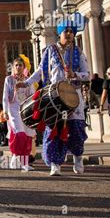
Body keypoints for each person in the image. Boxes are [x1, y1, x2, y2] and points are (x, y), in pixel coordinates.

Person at [17, 21, 89, 176]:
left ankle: (78, 157)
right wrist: (26, 83)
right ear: (60, 33)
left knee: (75, 130)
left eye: (71, 31)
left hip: (73, 97)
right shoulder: (50, 51)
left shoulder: (79, 52)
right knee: (53, 131)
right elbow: (39, 72)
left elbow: (87, 74)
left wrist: (75, 75)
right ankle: (55, 164)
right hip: (54, 97)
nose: (69, 34)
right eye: (66, 31)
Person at [2, 56, 35, 171]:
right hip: (13, 109)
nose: (18, 67)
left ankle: (24, 162)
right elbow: (5, 96)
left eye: (20, 65)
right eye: (16, 65)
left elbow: (32, 95)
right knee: (19, 133)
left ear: (23, 67)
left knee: (27, 135)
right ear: (13, 67)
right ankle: (15, 156)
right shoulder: (9, 79)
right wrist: (5, 111)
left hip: (25, 110)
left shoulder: (27, 80)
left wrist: (34, 109)